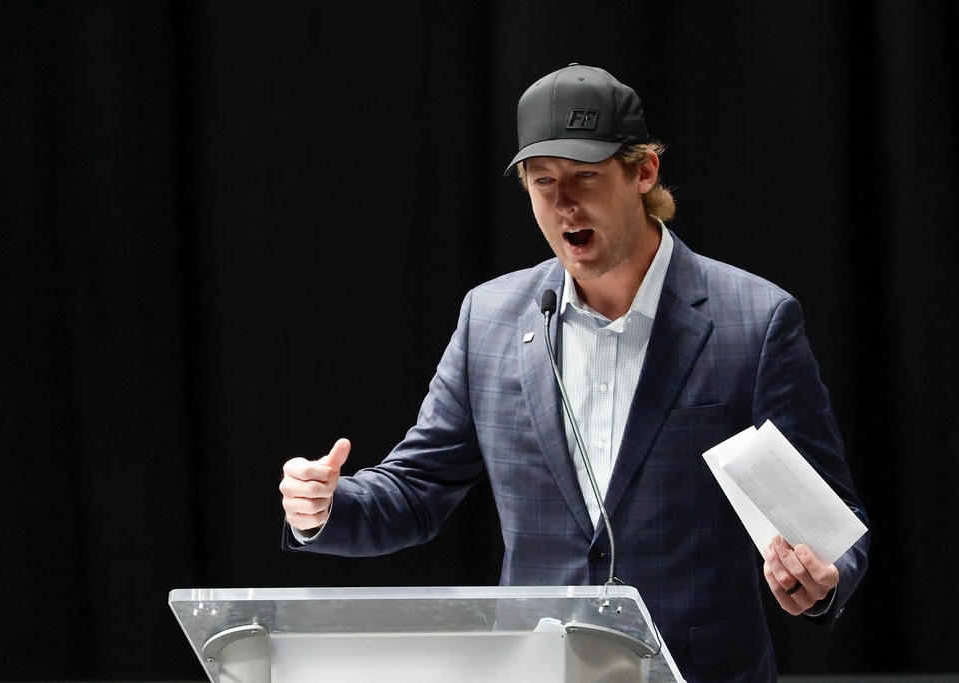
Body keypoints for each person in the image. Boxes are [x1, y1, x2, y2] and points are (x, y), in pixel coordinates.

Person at [280, 63, 869, 682]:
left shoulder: (754, 320)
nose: (563, 204)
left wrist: (821, 580)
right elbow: (416, 491)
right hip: (538, 669)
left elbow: (833, 526)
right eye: (542, 183)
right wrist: (322, 508)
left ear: (644, 172)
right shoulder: (492, 319)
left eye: (585, 177)